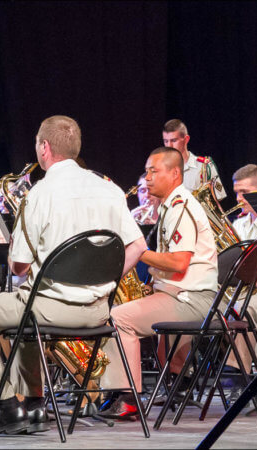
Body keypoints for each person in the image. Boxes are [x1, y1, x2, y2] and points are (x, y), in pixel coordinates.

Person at [0, 116, 146, 436]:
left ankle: (5, 407)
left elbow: (19, 268)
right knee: (25, 310)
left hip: (50, 308)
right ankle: (34, 403)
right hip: (100, 311)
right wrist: (106, 283)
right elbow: (138, 246)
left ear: (44, 148)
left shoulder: (40, 193)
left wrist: (16, 243)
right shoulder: (109, 189)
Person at [98, 147, 219, 418]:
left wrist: (137, 250)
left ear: (175, 173)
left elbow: (178, 263)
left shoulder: (181, 206)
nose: (148, 177)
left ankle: (128, 397)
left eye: (155, 171)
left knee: (119, 317)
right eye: (147, 171)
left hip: (192, 299)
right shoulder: (170, 205)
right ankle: (153, 386)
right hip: (181, 294)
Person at [220, 164, 257, 393]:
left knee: (243, 308)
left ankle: (236, 370)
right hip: (247, 291)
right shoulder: (239, 224)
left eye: (244, 193)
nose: (238, 199)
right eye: (236, 193)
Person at [162, 119, 227, 200]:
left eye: (174, 140)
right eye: (166, 141)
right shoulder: (163, 170)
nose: (169, 146)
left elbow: (218, 197)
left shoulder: (204, 165)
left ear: (186, 139)